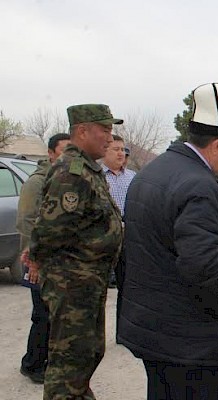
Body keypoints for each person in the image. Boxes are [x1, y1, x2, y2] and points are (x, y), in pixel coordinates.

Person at [117, 83, 218, 399]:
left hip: (154, 330)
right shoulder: (198, 186)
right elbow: (201, 266)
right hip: (189, 340)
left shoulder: (153, 171)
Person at [28, 104, 124, 399]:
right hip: (71, 283)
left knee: (88, 353)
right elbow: (49, 230)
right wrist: (39, 260)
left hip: (88, 282)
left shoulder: (88, 169)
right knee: (68, 361)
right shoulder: (71, 172)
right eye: (104, 130)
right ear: (82, 131)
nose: (110, 138)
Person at [16, 133, 70, 384]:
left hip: (58, 260)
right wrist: (33, 259)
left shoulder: (64, 179)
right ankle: (32, 364)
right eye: (64, 149)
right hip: (38, 259)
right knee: (42, 314)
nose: (69, 155)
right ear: (50, 153)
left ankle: (47, 361)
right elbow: (26, 221)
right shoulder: (37, 182)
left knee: (55, 315)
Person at [101, 134, 136, 290]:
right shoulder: (97, 177)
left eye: (122, 149)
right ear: (105, 151)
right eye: (116, 149)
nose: (121, 153)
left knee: (127, 287)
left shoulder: (133, 177)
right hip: (104, 239)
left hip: (128, 240)